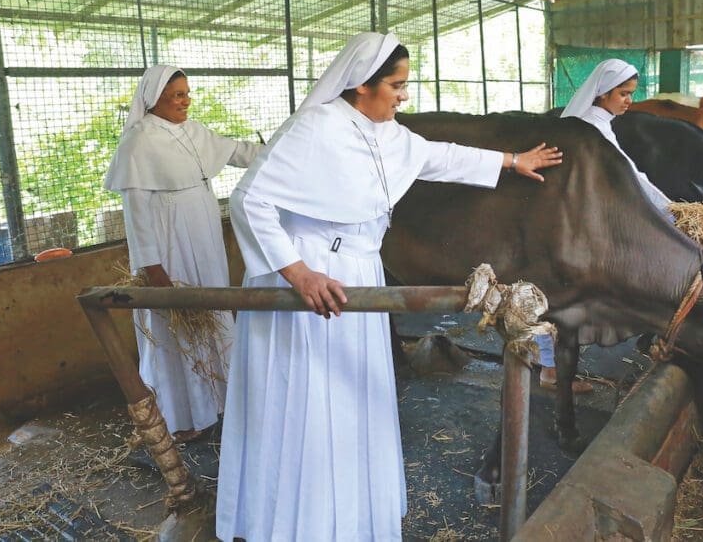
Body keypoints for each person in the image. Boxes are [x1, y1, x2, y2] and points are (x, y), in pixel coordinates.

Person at [215, 32, 563, 541]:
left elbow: (443, 156)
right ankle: (297, 520)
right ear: (361, 85)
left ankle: (352, 513)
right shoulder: (314, 128)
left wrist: (512, 161)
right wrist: (299, 273)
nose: (404, 95)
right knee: (311, 400)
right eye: (397, 85)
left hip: (361, 272)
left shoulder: (391, 135)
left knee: (354, 393)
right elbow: (249, 201)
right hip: (313, 278)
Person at [104, 65, 262, 443]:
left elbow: (239, 152)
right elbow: (137, 215)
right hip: (169, 244)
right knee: (178, 324)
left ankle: (222, 400)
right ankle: (185, 415)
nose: (185, 100)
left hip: (203, 237)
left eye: (187, 93)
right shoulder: (138, 143)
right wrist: (152, 267)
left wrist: (286, 151)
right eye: (177, 95)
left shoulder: (193, 131)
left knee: (213, 310)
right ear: (153, 98)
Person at [535, 59, 674, 393]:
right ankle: (552, 371)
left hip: (573, 216)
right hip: (577, 222)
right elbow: (628, 174)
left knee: (552, 291)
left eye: (630, 94)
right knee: (563, 293)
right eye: (623, 94)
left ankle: (545, 362)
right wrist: (669, 209)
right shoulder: (592, 127)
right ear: (602, 93)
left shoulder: (596, 122)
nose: (629, 101)